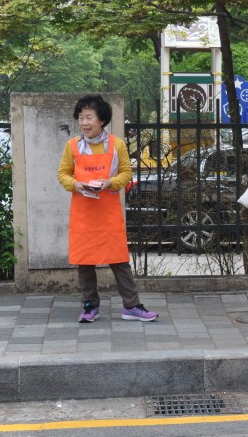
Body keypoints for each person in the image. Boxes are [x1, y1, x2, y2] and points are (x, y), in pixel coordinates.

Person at [57, 95, 158, 323]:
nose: (84, 122)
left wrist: (109, 182)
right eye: (81, 117)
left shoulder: (117, 144)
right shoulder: (72, 146)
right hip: (83, 212)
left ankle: (132, 306)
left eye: (88, 117)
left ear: (101, 120)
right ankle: (90, 306)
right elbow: (63, 173)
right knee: (85, 261)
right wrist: (76, 184)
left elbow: (126, 173)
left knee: (119, 259)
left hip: (108, 211)